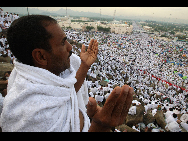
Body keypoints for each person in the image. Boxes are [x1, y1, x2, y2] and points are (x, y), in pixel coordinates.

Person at [0, 15, 133, 132]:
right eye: (63, 42)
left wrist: (85, 66)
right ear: (40, 56)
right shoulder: (33, 116)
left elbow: (64, 91)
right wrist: (101, 125)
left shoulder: (31, 75)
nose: (70, 47)